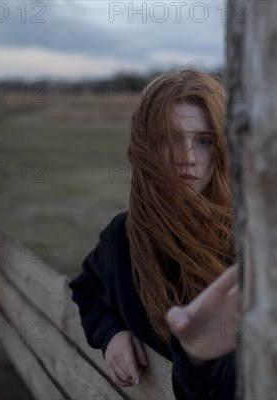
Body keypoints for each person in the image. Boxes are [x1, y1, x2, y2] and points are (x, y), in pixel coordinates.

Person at [68, 69, 239, 399]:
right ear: (145, 147)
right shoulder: (122, 236)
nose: (187, 159)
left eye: (203, 141)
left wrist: (198, 354)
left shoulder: (246, 244)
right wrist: (110, 333)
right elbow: (85, 290)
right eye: (169, 140)